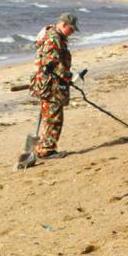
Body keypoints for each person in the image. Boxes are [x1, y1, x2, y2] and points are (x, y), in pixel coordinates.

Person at [28, 12, 79, 159]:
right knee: (54, 118)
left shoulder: (52, 35)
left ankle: (40, 148)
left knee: (48, 116)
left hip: (47, 83)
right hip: (51, 84)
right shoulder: (54, 39)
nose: (73, 32)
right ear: (64, 25)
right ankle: (46, 150)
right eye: (72, 29)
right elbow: (53, 63)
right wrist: (70, 77)